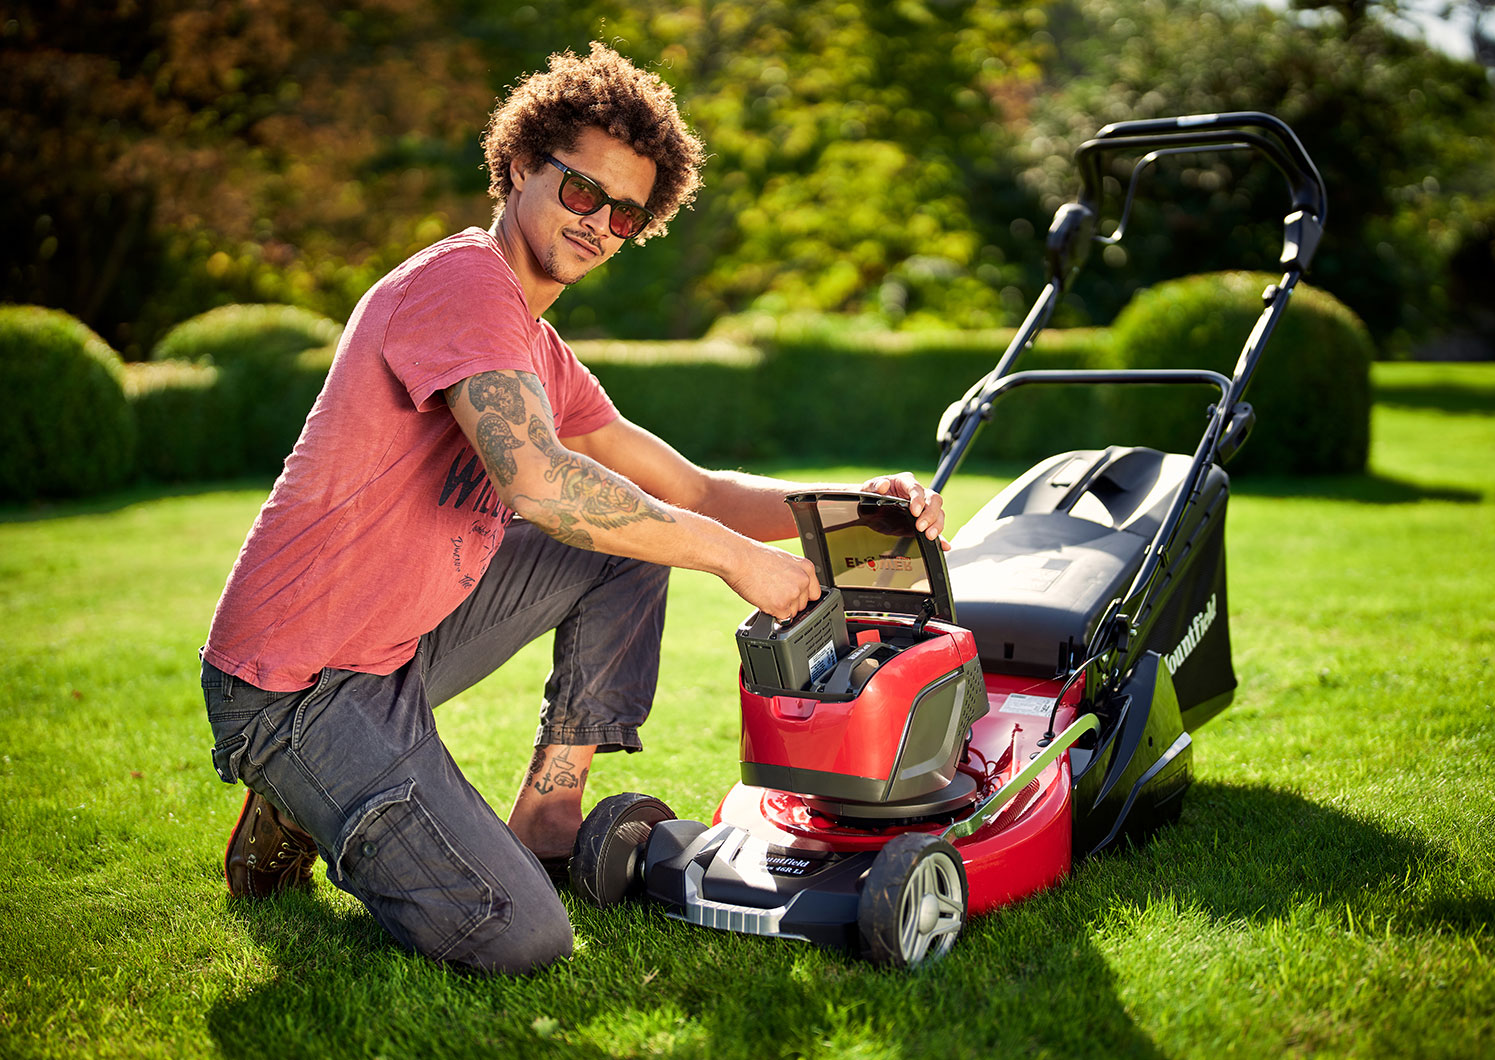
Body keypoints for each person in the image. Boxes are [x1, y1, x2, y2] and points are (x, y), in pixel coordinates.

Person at [200, 42, 948, 975]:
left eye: (626, 215)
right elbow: (540, 482)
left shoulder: (537, 346)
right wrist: (727, 557)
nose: (599, 224)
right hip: (294, 684)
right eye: (583, 192)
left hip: (393, 650)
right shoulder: (462, 283)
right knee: (521, 937)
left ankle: (549, 809)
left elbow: (694, 490)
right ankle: (306, 788)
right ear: (519, 166)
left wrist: (861, 508)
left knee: (631, 535)